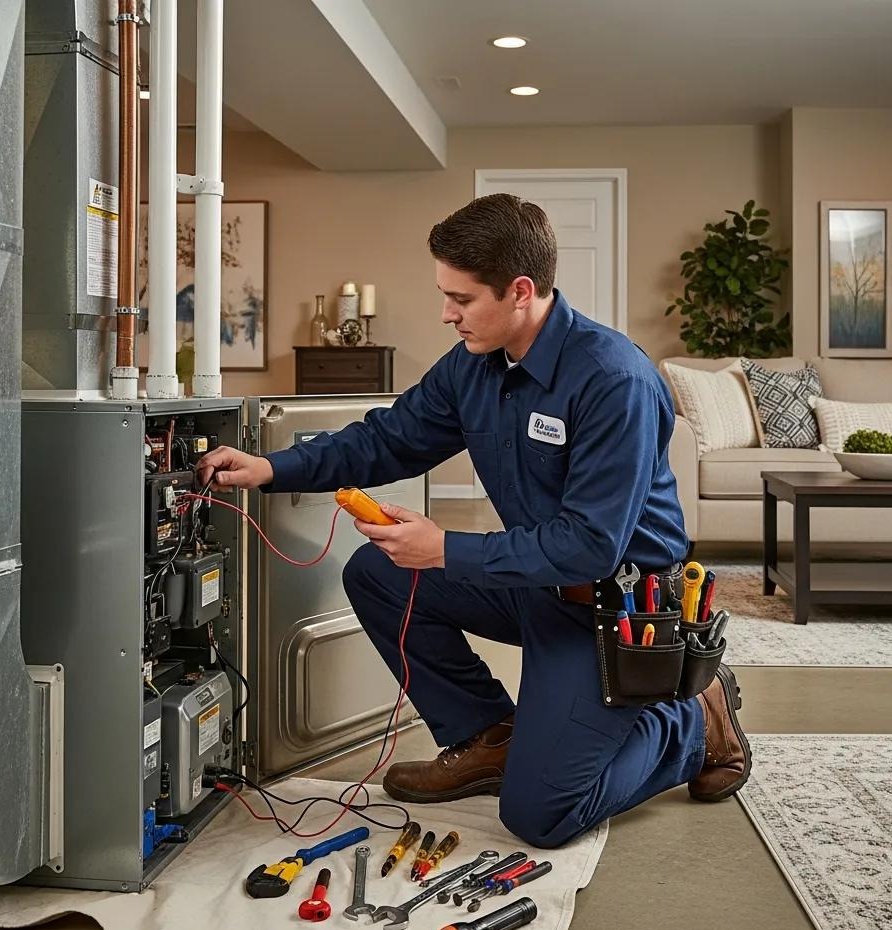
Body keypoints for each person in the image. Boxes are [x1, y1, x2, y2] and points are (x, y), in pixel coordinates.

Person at [197, 194, 751, 849]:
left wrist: (444, 548)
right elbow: (386, 439)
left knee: (541, 816)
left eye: (460, 298)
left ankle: (691, 720)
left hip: (615, 612)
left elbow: (591, 547)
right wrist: (269, 468)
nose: (445, 313)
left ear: (520, 291)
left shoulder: (612, 378)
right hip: (533, 586)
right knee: (378, 571)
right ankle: (490, 736)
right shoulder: (473, 368)